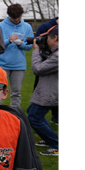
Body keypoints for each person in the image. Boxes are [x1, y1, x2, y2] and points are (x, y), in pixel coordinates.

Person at [0, 4, 34, 109]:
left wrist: (21, 45)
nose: (16, 19)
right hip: (1, 64)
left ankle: (15, 114)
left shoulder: (27, 27)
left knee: (16, 92)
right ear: (9, 15)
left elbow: (30, 46)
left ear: (21, 15)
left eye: (19, 17)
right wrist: (9, 40)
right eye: (14, 18)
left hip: (19, 65)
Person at [27, 26, 59, 156]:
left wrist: (36, 51)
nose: (46, 41)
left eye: (48, 38)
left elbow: (38, 69)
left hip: (51, 91)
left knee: (34, 117)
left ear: (55, 38)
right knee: (33, 113)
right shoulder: (55, 53)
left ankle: (56, 144)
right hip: (50, 89)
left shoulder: (57, 56)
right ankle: (48, 138)